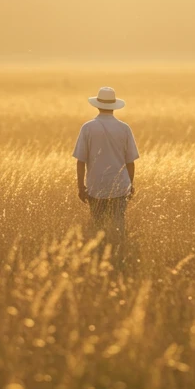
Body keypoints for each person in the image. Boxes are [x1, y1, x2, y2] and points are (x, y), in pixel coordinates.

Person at [73, 86, 139, 262]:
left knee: (97, 226)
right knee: (119, 225)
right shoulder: (124, 128)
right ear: (114, 106)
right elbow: (130, 161)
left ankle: (99, 259)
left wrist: (81, 187)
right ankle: (119, 258)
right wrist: (131, 185)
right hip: (120, 186)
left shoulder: (87, 128)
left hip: (95, 186)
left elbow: (80, 160)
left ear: (97, 105)